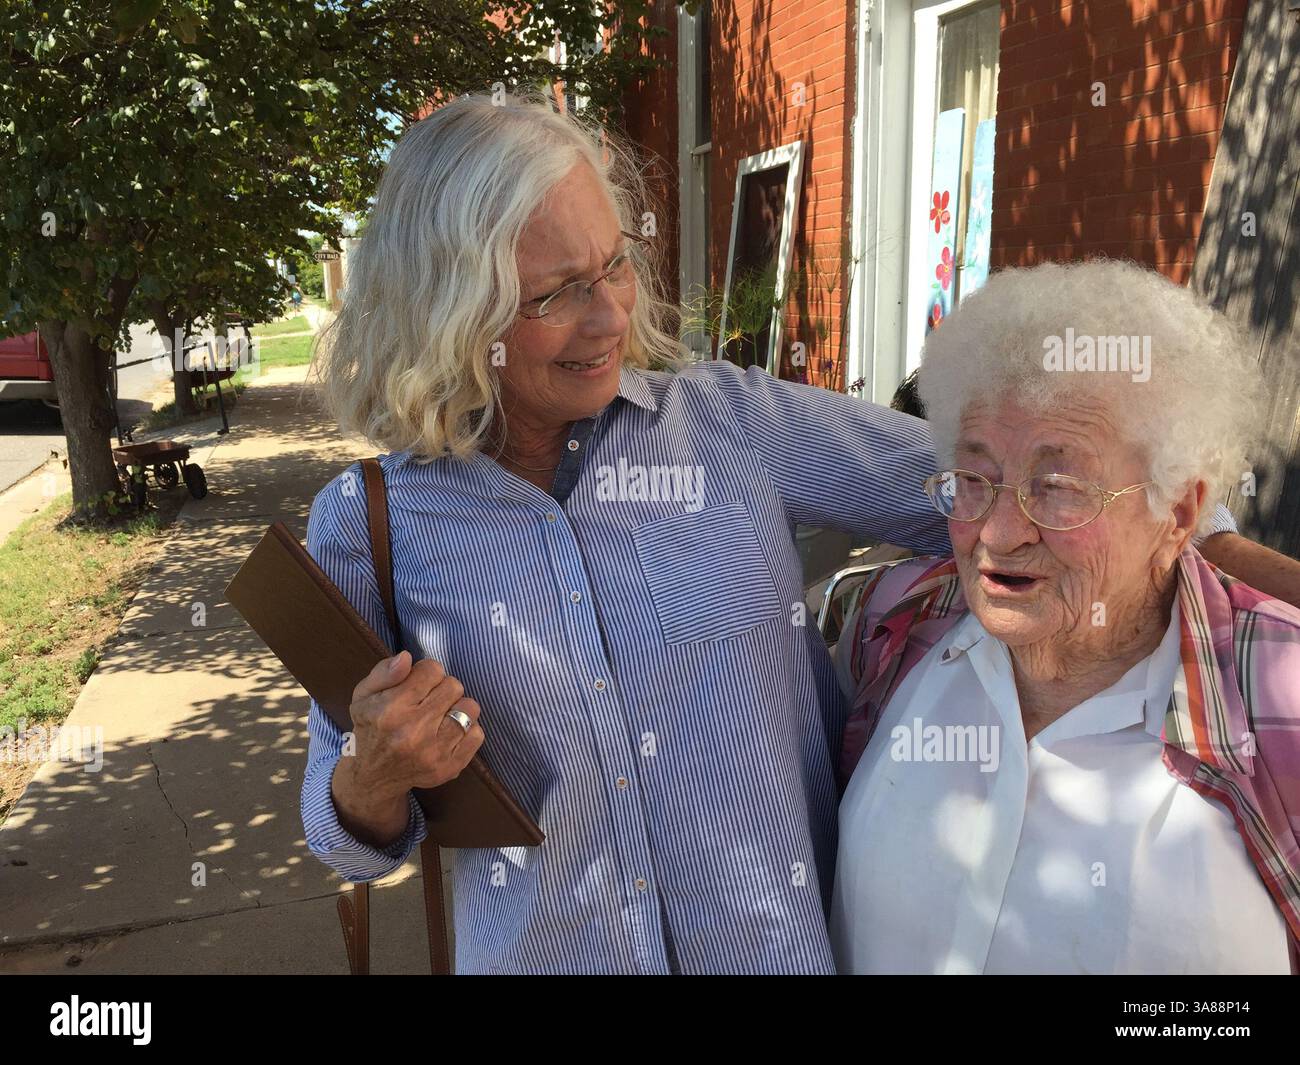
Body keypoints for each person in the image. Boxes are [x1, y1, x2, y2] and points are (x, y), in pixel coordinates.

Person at [301, 90, 1288, 974]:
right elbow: (344, 836)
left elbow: (1005, 489)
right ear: (456, 310)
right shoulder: (372, 526)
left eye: (615, 267)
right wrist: (375, 773)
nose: (610, 316)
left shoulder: (732, 426)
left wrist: (1215, 538)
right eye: (560, 293)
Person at [831, 260, 1300, 974]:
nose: (997, 532)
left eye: (1057, 486)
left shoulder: (1281, 693)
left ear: (1177, 514)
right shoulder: (896, 622)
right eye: (975, 479)